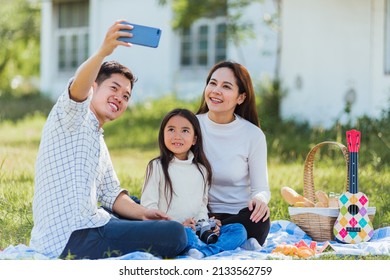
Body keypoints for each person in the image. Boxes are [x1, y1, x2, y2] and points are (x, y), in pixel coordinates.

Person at [29, 20, 187, 260]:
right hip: (74, 236)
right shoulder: (71, 116)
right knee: (175, 234)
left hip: (87, 227)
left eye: (126, 96)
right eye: (114, 88)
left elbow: (112, 194)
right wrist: (104, 51)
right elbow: (78, 88)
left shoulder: (98, 140)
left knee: (134, 205)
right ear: (94, 87)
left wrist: (144, 214)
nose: (119, 98)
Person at [140, 108, 247, 258]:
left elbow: (201, 205)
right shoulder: (156, 166)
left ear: (195, 139)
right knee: (186, 235)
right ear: (163, 134)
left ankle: (204, 251)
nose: (177, 136)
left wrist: (206, 224)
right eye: (171, 129)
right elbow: (148, 208)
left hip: (195, 229)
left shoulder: (202, 170)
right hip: (172, 231)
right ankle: (213, 248)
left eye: (185, 131)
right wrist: (177, 225)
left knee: (239, 229)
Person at [196, 61, 271, 250]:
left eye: (226, 86)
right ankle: (231, 240)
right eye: (212, 83)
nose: (216, 90)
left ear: (241, 97)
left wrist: (260, 200)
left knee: (259, 220)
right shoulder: (191, 126)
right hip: (200, 214)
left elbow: (261, 188)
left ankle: (211, 239)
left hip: (238, 215)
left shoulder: (253, 135)